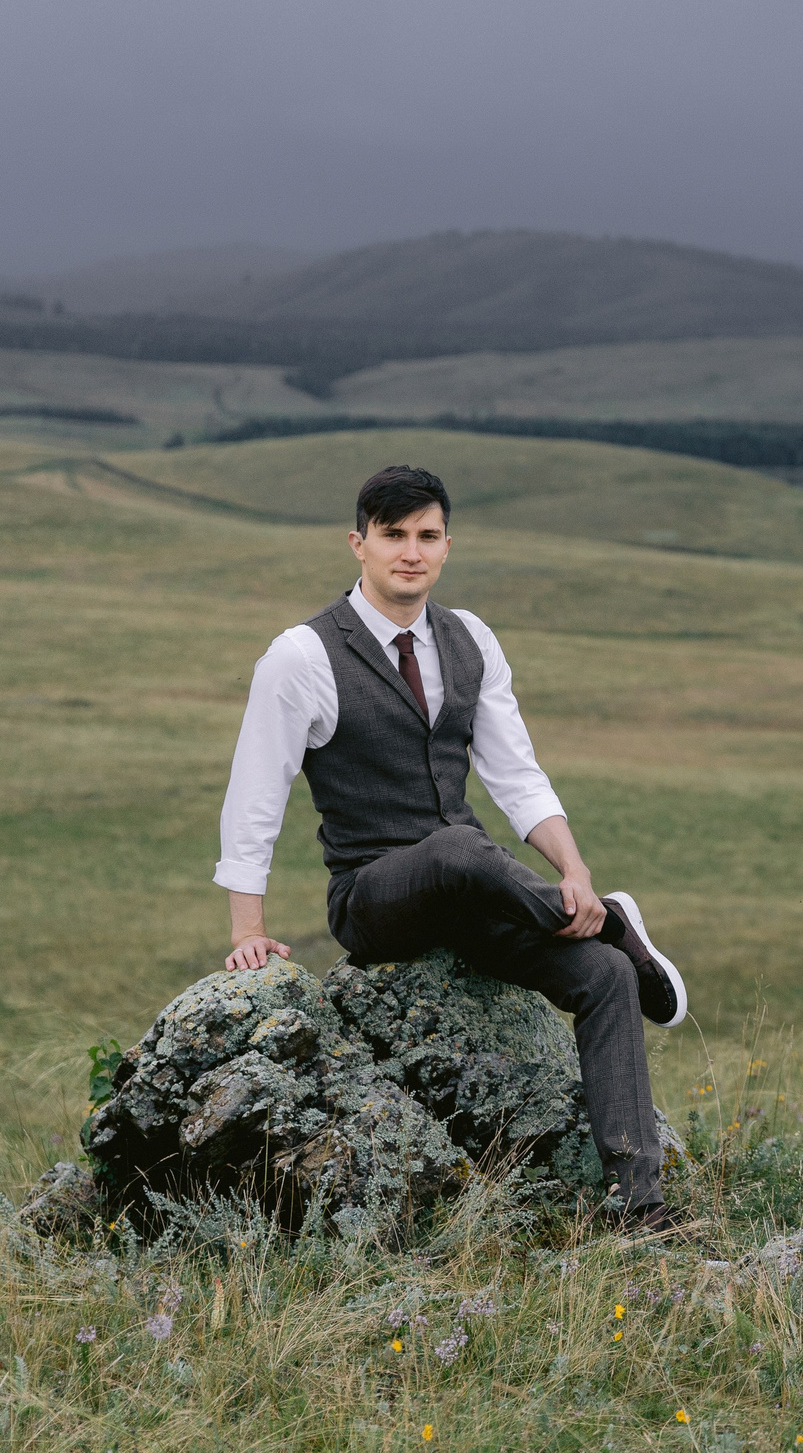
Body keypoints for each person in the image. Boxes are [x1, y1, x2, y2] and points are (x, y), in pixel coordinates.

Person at [215, 464, 689, 1229]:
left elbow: (518, 774)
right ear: (358, 544)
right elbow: (254, 795)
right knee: (459, 849)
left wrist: (574, 870)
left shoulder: (470, 640)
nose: (411, 551)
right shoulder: (301, 656)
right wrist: (246, 930)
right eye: (393, 534)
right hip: (375, 900)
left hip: (474, 895)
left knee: (601, 976)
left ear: (446, 546)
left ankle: (637, 1205)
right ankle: (612, 921)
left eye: (427, 535)